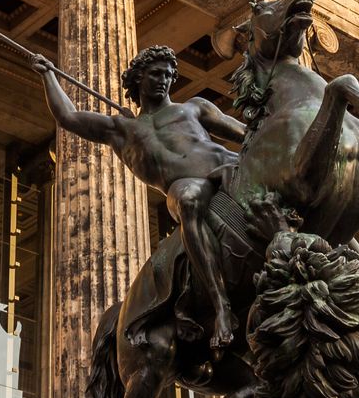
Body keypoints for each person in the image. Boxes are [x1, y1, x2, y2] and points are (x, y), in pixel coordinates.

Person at [31, 44, 246, 352]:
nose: (165, 80)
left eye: (170, 75)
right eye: (156, 74)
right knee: (187, 202)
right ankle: (221, 305)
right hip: (185, 187)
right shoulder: (123, 129)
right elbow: (68, 116)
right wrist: (48, 75)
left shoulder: (194, 107)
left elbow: (243, 133)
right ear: (138, 78)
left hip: (227, 168)